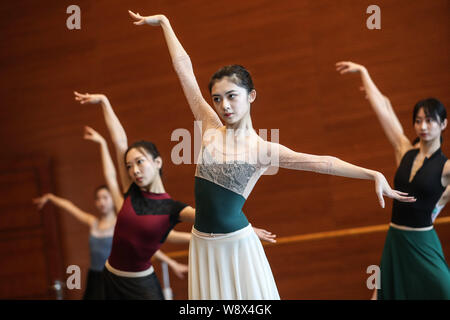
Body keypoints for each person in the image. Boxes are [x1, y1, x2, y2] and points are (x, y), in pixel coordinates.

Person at [128, 11, 416, 300]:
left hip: (236, 244)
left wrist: (372, 174)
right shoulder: (209, 126)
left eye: (232, 96)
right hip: (201, 244)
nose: (224, 105)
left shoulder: (263, 150)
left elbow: (322, 163)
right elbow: (184, 72)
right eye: (217, 99)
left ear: (251, 96)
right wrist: (165, 22)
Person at [74, 92, 276, 299]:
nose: (134, 170)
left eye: (140, 162)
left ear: (157, 162)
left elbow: (213, 218)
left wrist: (246, 231)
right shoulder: (131, 192)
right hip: (109, 278)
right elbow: (120, 142)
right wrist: (105, 102)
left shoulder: (172, 208)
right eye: (129, 166)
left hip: (140, 287)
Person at [336, 60, 450, 299]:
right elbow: (384, 108)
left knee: (443, 289)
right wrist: (364, 73)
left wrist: (438, 206)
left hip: (423, 242)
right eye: (418, 120)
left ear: (443, 124)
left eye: (429, 120)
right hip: (396, 238)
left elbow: (443, 198)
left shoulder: (446, 166)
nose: (423, 126)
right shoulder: (404, 150)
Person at [34, 186, 116, 300]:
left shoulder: (120, 223)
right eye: (98, 198)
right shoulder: (93, 222)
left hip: (113, 277)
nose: (101, 201)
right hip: (94, 276)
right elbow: (70, 207)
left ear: (113, 199)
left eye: (105, 197)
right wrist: (50, 197)